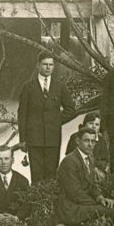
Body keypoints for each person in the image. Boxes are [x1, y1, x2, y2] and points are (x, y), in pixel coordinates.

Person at [17, 50, 76, 184]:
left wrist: (56, 121)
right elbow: (22, 115)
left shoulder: (59, 86)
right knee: (37, 175)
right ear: (38, 65)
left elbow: (71, 110)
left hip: (52, 138)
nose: (48, 67)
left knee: (51, 174)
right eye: (45, 64)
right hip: (34, 139)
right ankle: (38, 203)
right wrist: (23, 139)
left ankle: (50, 203)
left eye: (51, 65)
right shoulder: (28, 87)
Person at [56, 128, 114, 226]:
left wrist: (101, 198)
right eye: (86, 140)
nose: (90, 145)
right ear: (77, 141)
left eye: (93, 141)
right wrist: (98, 204)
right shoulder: (70, 161)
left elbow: (91, 186)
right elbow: (75, 194)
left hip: (83, 204)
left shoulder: (89, 159)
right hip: (71, 209)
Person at [64, 112, 110, 179]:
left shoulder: (101, 140)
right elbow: (70, 160)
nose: (94, 127)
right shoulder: (75, 138)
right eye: (91, 123)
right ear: (85, 125)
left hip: (97, 175)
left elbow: (104, 160)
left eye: (97, 124)